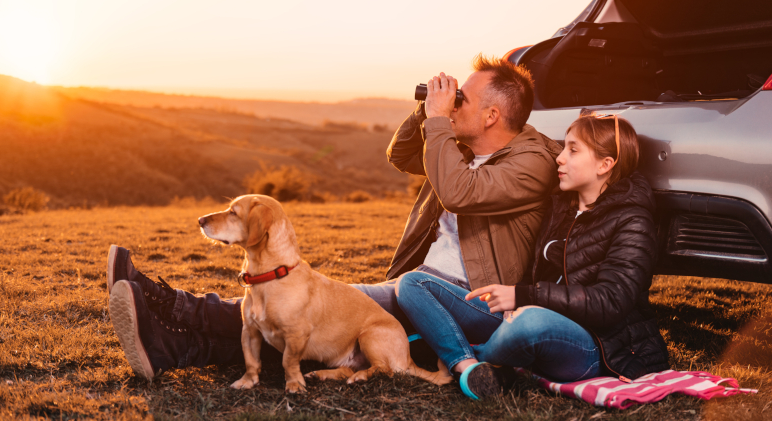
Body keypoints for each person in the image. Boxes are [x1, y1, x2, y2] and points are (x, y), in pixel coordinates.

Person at [107, 54, 562, 385]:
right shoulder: (463, 146)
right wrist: (428, 111)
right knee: (300, 309)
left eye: (463, 98)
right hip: (418, 285)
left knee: (302, 311)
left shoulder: (531, 163)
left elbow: (459, 193)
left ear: (492, 115)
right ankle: (173, 327)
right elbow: (402, 155)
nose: (454, 102)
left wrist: (442, 123)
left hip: (467, 301)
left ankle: (174, 320)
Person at [395, 115, 670, 400]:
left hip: (598, 347)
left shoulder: (633, 220)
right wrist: (518, 301)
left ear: (605, 164)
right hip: (530, 315)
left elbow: (610, 302)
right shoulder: (561, 208)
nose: (560, 159)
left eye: (573, 150)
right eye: (563, 148)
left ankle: (448, 347)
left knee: (531, 322)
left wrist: (525, 296)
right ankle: (467, 366)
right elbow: (535, 272)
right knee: (414, 283)